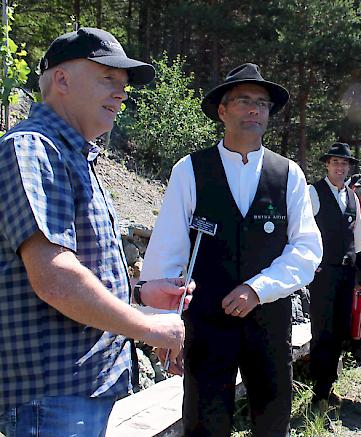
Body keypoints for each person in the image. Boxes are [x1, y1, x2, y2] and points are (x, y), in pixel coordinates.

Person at [0, 28, 191, 437]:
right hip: (52, 396)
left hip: (73, 394)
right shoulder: (33, 148)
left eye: (123, 85)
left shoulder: (73, 155)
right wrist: (148, 327)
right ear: (62, 80)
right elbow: (55, 278)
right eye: (108, 78)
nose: (121, 93)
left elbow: (79, 271)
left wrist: (141, 295)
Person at [140, 63, 322, 436]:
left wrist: (259, 288)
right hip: (205, 321)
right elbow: (167, 250)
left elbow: (306, 248)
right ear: (222, 111)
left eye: (262, 103)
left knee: (272, 421)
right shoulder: (190, 170)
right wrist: (161, 326)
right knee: (204, 423)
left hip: (268, 322)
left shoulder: (288, 174)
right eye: (243, 101)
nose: (255, 109)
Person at [307, 142, 361, 410]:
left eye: (344, 164)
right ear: (327, 165)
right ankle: (318, 394)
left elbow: (359, 238)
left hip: (346, 273)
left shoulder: (352, 197)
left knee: (340, 330)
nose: (340, 167)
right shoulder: (313, 192)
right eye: (335, 163)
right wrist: (310, 263)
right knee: (322, 331)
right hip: (323, 273)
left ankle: (328, 386)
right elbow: (301, 231)